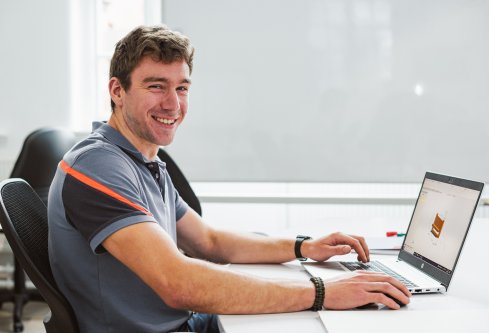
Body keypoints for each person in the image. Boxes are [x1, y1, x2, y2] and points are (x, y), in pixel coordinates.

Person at [48, 25, 410, 333]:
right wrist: (322, 292)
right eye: (156, 86)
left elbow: (208, 241)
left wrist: (304, 247)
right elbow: (178, 283)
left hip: (183, 322)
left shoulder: (143, 161)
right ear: (117, 91)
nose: (173, 104)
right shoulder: (97, 167)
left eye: (182, 88)